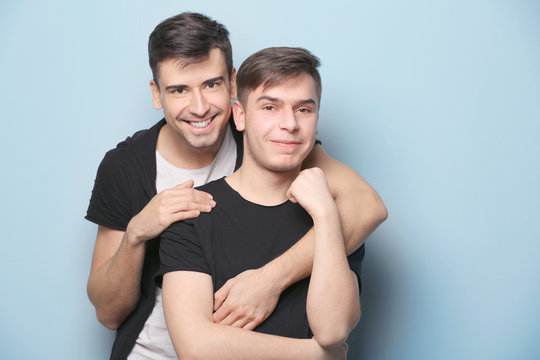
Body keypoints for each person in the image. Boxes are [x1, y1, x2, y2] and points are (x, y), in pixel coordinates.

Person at [86, 12, 387, 360]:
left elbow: (367, 207)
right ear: (157, 94)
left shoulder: (269, 140)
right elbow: (108, 313)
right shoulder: (126, 167)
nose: (199, 108)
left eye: (211, 84)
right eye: (179, 89)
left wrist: (269, 280)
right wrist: (137, 232)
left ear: (232, 85)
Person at [159, 46, 363, 359]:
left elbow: (333, 329)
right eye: (270, 107)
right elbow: (196, 348)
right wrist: (316, 355)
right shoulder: (194, 216)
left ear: (316, 121)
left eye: (304, 110)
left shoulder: (332, 216)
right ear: (240, 116)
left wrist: (324, 214)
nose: (289, 124)